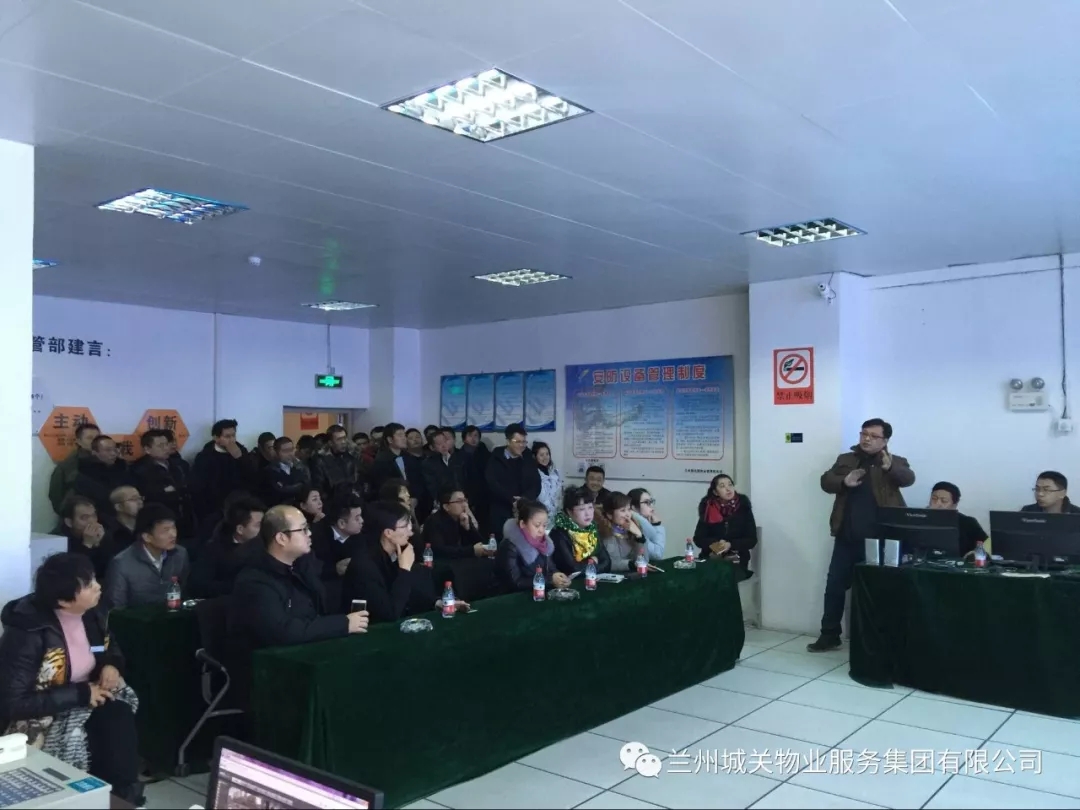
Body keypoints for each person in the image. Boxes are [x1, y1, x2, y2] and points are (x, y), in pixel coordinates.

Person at [0, 554, 142, 806]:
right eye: (88, 584)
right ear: (64, 601)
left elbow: (107, 648)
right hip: (42, 714)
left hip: (86, 697)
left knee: (117, 718)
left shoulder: (91, 613)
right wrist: (81, 694)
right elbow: (13, 703)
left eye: (94, 579)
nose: (98, 586)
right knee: (107, 735)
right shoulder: (27, 633)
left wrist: (111, 665)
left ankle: (123, 798)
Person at [810, 418, 915, 653]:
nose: (866, 439)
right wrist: (844, 481)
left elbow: (908, 478)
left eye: (873, 436)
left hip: (882, 541)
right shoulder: (846, 459)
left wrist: (890, 468)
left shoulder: (895, 461)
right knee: (835, 586)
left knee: (878, 589)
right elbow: (826, 481)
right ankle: (829, 635)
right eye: (863, 434)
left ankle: (878, 638)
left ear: (885, 440)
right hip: (847, 536)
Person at [342, 502, 438, 622]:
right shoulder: (364, 566)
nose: (410, 530)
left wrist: (436, 603)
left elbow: (410, 592)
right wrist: (404, 570)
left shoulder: (395, 553)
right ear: (388, 533)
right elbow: (390, 613)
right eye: (405, 525)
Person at [104, 503, 189, 610]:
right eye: (166, 530)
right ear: (147, 537)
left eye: (174, 528)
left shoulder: (180, 554)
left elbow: (185, 592)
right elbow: (115, 608)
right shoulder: (121, 564)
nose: (173, 534)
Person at [189, 497, 265, 598]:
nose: (264, 529)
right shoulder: (214, 549)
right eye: (258, 525)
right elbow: (198, 585)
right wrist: (236, 587)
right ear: (240, 529)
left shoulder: (268, 547)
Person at [132, 429, 196, 541]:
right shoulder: (139, 470)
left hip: (184, 520)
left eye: (167, 444)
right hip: (159, 521)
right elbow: (149, 495)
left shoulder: (179, 465)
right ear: (147, 449)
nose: (166, 448)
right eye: (160, 446)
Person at [496, 500, 571, 593]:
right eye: (537, 525)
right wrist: (550, 580)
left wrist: (558, 576)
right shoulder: (510, 546)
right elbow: (515, 582)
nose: (541, 530)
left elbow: (550, 568)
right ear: (522, 524)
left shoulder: (544, 543)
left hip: (540, 592)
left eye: (544, 526)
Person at [693, 474, 758, 576]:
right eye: (722, 486)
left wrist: (730, 544)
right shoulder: (708, 508)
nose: (728, 489)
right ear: (715, 492)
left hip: (737, 560)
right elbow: (698, 539)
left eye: (730, 485)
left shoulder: (744, 508)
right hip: (710, 558)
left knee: (725, 577)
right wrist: (717, 544)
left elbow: (752, 540)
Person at [191, 419, 251, 522]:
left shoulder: (242, 451)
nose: (231, 440)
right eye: (227, 436)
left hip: (239, 504)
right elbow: (199, 486)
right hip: (214, 507)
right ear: (216, 438)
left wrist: (240, 459)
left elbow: (251, 477)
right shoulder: (205, 457)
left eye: (233, 435)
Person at [485, 423, 541, 533]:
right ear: (508, 441)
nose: (522, 445)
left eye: (524, 442)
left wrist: (524, 499)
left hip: (525, 511)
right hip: (501, 512)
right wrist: (512, 499)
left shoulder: (528, 457)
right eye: (518, 442)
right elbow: (492, 484)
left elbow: (536, 484)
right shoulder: (496, 458)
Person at [550, 486, 612, 575]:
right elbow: (573, 569)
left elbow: (607, 563)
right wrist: (593, 561)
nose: (588, 513)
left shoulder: (592, 529)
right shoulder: (559, 533)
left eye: (590, 507)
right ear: (569, 512)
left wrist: (587, 565)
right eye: (582, 509)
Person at [53, 495, 114, 582]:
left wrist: (98, 545)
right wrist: (87, 545)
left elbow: (106, 571)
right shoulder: (58, 541)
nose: (92, 521)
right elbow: (72, 575)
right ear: (69, 522)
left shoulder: (104, 534)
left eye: (94, 516)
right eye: (85, 518)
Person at [72, 435, 132, 517]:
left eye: (115, 449)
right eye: (108, 450)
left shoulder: (123, 468)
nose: (113, 453)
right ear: (94, 452)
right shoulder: (85, 474)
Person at [48, 422, 100, 515]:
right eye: (89, 438)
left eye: (97, 438)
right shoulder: (66, 466)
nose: (95, 442)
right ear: (79, 441)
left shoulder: (108, 461)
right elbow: (55, 496)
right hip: (76, 518)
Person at [926, 482, 988, 557]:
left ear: (954, 505)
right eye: (934, 499)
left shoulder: (968, 523)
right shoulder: (918, 517)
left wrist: (975, 554)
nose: (937, 503)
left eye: (944, 501)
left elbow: (987, 547)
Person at [310, 496, 365, 580]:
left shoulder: (359, 534)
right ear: (342, 523)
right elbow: (311, 570)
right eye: (357, 518)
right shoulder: (315, 539)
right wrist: (334, 569)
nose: (362, 521)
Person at [598, 491, 646, 572]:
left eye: (629, 509)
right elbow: (612, 564)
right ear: (610, 515)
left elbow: (645, 561)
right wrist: (633, 564)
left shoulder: (633, 528)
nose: (628, 515)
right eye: (623, 510)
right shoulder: (606, 533)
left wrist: (639, 537)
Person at [422, 429, 466, 512]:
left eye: (445, 441)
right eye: (439, 444)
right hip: (443, 502)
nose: (444, 445)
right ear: (432, 447)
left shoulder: (458, 458)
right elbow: (432, 487)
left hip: (461, 499)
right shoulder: (428, 464)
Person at [313, 425, 360, 500]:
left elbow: (358, 480)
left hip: (354, 499)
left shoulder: (353, 456)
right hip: (332, 501)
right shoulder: (321, 461)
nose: (343, 442)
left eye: (344, 438)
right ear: (330, 443)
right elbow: (320, 488)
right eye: (339, 439)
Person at [459, 425, 491, 533]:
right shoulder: (459, 455)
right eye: (470, 435)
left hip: (484, 495)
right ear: (464, 438)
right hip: (466, 495)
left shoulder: (485, 454)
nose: (473, 438)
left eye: (476, 435)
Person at [262, 436, 307, 506]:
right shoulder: (270, 471)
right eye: (285, 451)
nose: (290, 454)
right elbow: (279, 491)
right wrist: (300, 486)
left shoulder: (301, 467)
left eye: (291, 450)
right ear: (276, 452)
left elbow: (307, 487)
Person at [628, 488, 666, 560]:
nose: (651, 506)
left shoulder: (644, 524)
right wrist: (657, 526)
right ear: (633, 508)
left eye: (651, 502)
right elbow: (657, 554)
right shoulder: (633, 526)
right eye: (647, 502)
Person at [533, 441, 563, 529]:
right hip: (540, 517)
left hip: (557, 516)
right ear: (535, 457)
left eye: (547, 454)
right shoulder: (534, 474)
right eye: (541, 455)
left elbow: (560, 494)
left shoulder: (555, 472)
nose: (545, 457)